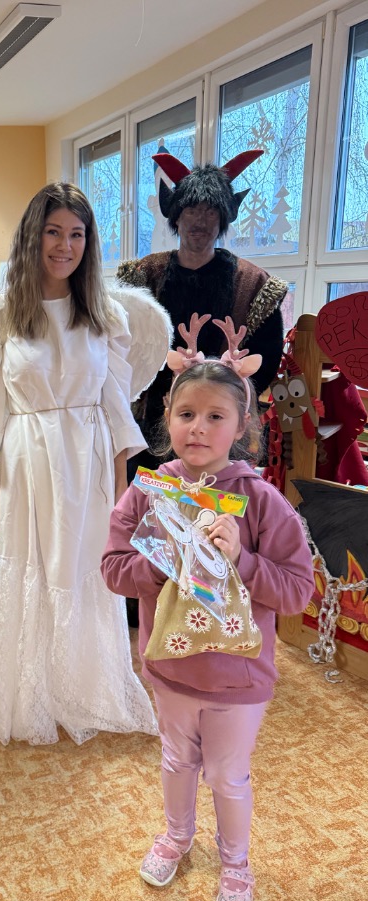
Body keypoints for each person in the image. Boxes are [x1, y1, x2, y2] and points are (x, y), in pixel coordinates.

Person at [0, 181, 172, 746]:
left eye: (77, 235)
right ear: (32, 237)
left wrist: (122, 490)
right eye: (53, 232)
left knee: (83, 564)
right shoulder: (1, 318)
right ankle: (29, 686)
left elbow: (116, 408)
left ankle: (81, 684)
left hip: (89, 457)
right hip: (28, 458)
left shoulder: (106, 315)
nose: (65, 246)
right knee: (32, 561)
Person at [101, 321, 314, 901]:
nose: (198, 427)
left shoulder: (261, 501)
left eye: (215, 416)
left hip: (238, 675)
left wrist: (241, 561)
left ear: (241, 426)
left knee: (227, 775)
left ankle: (236, 863)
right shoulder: (148, 492)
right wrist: (160, 562)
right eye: (186, 414)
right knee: (176, 761)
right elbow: (112, 569)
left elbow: (297, 591)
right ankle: (176, 835)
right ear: (167, 420)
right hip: (170, 665)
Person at [116, 150, 289, 626]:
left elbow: (266, 359)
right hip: (151, 426)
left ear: (225, 217)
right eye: (191, 209)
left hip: (219, 430)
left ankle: (210, 604)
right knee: (151, 513)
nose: (200, 220)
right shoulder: (142, 278)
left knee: (214, 514)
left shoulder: (253, 284)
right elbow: (122, 348)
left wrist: (229, 381)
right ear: (175, 214)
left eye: (212, 211)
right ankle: (145, 607)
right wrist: (162, 374)